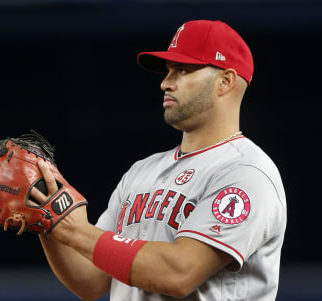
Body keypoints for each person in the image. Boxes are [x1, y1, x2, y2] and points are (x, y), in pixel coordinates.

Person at [31, 20, 287, 301]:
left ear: (224, 81)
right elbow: (91, 281)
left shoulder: (246, 172)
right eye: (168, 71)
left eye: (183, 70)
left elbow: (178, 274)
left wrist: (74, 230)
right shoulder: (142, 171)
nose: (165, 82)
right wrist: (49, 221)